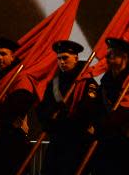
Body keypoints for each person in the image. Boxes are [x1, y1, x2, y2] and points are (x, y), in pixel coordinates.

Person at [0, 36, 37, 175]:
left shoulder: (20, 77)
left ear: (13, 55)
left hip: (12, 138)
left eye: (3, 54)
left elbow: (18, 105)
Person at [91, 38, 129, 175]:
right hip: (106, 146)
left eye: (111, 54)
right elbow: (96, 107)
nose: (106, 56)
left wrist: (109, 122)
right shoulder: (105, 82)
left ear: (124, 57)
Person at [37, 40, 98, 175]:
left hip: (77, 143)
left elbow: (88, 111)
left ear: (76, 58)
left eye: (65, 57)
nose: (61, 62)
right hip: (57, 141)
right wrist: (48, 119)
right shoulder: (54, 83)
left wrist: (62, 120)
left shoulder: (87, 82)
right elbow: (42, 109)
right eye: (59, 58)